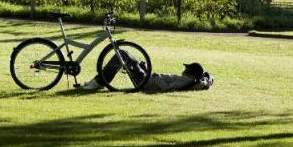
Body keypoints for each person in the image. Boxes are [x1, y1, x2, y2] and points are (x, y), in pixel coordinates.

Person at [84, 59, 212, 93]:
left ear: (191, 72)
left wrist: (154, 76)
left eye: (187, 68)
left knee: (122, 54)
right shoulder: (189, 80)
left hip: (146, 83)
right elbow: (207, 77)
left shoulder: (185, 80)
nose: (183, 70)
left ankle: (98, 82)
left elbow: (167, 89)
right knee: (126, 56)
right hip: (147, 79)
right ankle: (97, 81)